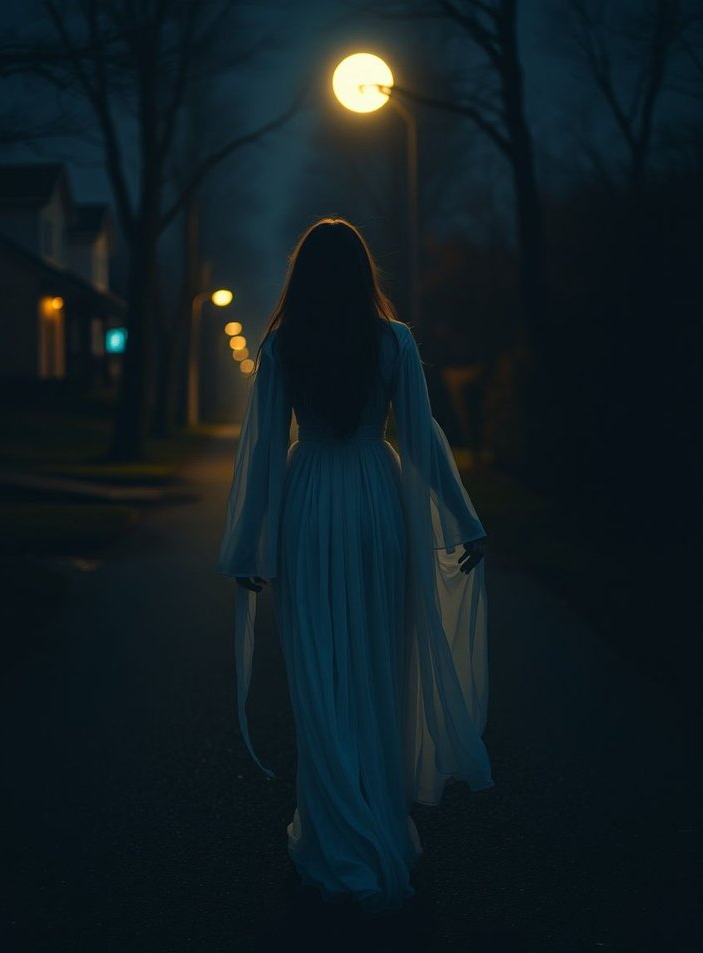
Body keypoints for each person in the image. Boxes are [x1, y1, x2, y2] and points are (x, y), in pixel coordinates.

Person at [217, 218, 493, 913]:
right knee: (373, 666)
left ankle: (335, 836)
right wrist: (463, 519)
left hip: (308, 500)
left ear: (302, 275)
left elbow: (260, 453)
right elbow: (424, 439)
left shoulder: (283, 345)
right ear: (364, 272)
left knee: (318, 675)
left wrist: (252, 544)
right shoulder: (393, 341)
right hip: (375, 499)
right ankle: (374, 828)